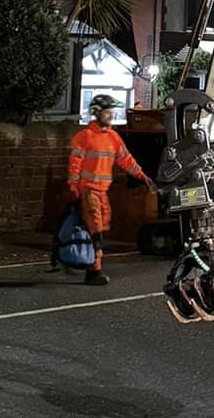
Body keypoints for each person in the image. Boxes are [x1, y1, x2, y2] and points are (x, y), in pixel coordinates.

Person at [64, 95, 152, 286]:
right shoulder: (85, 136)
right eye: (107, 112)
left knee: (101, 228)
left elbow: (125, 159)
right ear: (97, 113)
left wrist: (141, 175)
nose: (111, 115)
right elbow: (74, 165)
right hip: (88, 190)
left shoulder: (113, 137)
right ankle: (94, 270)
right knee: (95, 229)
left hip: (102, 192)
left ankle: (89, 264)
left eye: (111, 111)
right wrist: (73, 188)